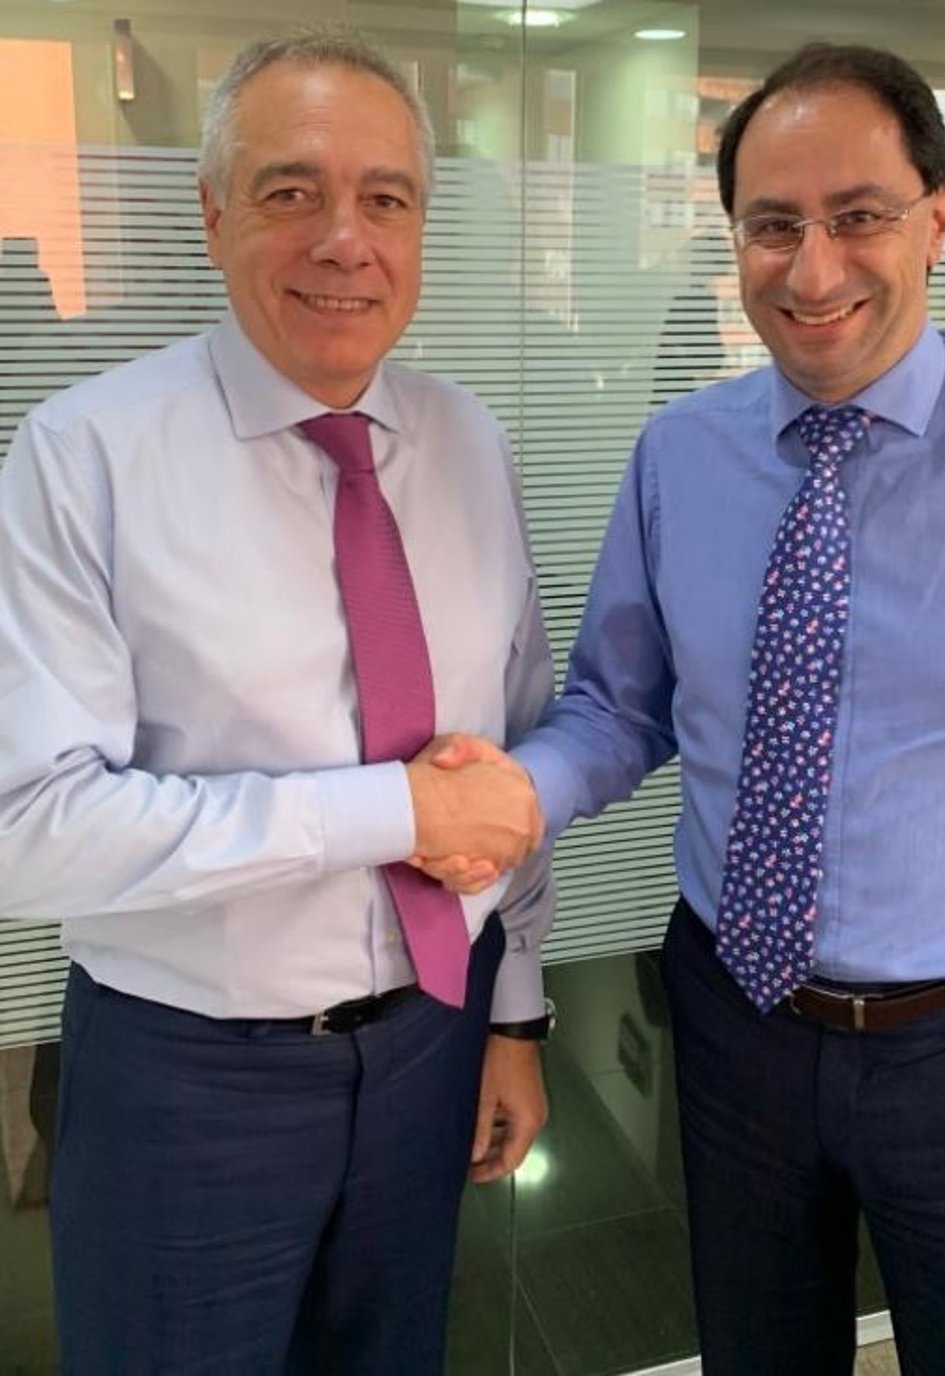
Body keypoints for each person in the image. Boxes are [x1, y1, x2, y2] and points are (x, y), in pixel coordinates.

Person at [422, 42, 945, 1376]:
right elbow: (621, 703)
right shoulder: (681, 455)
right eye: (773, 225)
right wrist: (512, 792)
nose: (813, 268)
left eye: (858, 216)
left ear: (939, 215)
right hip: (739, 1021)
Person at [0, 30, 552, 1375]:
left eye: (385, 199)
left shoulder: (470, 442)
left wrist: (514, 1010)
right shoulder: (84, 456)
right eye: (291, 191)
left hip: (433, 1043)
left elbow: (512, 758)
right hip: (188, 1080)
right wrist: (389, 812)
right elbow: (31, 829)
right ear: (212, 214)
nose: (343, 241)